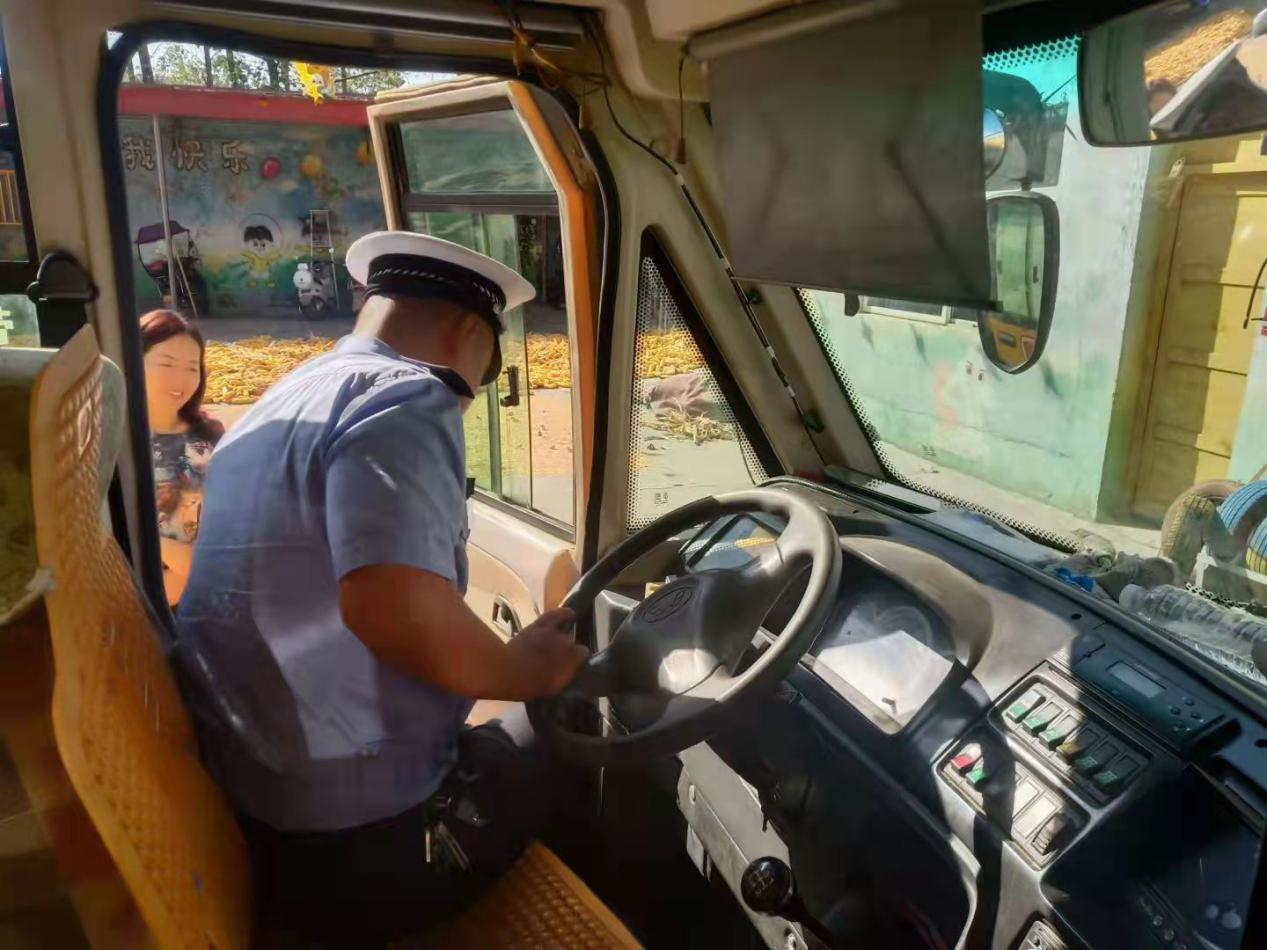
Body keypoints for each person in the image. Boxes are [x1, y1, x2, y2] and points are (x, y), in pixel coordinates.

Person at [175, 232, 589, 943]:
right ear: (468, 335)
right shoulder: (407, 397)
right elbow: (389, 605)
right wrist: (524, 670)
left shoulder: (284, 399)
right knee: (578, 722)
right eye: (485, 377)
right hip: (371, 849)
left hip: (269, 816)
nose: (469, 400)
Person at [140, 309, 224, 607]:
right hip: (131, 591)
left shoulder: (206, 437)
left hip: (196, 591)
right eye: (166, 363)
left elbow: (221, 522)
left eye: (192, 366)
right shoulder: (109, 434)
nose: (182, 378)